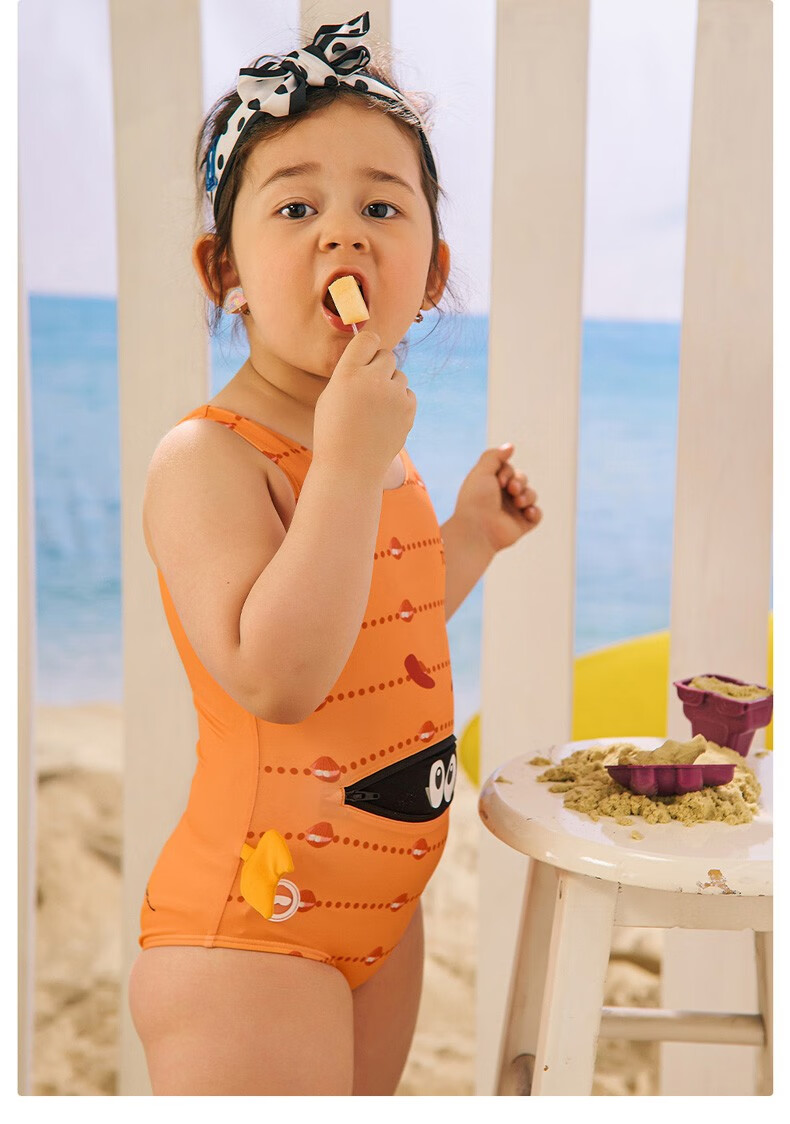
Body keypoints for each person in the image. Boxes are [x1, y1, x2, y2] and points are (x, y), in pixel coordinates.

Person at [127, 11, 542, 1096]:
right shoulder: (209, 458)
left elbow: (376, 627)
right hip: (252, 930)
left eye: (381, 207)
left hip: (380, 918)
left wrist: (469, 536)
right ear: (224, 268)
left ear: (431, 273)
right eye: (297, 207)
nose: (342, 237)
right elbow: (279, 675)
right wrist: (352, 466)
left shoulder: (369, 449)